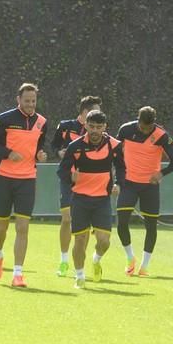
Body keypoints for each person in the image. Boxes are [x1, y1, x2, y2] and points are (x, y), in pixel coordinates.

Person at [0, 83, 48, 287]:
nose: (30, 104)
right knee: (1, 226)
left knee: (23, 227)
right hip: (4, 178)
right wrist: (8, 153)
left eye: (33, 101)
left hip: (27, 180)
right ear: (18, 99)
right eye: (27, 100)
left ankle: (18, 274)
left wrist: (40, 155)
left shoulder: (42, 122)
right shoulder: (5, 119)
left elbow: (39, 146)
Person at [57, 110, 125, 288]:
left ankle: (96, 260)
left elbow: (122, 168)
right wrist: (71, 175)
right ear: (85, 125)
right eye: (91, 126)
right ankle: (79, 276)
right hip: (80, 199)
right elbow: (61, 171)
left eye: (99, 127)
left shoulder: (114, 145)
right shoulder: (75, 146)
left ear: (105, 127)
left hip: (102, 199)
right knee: (80, 240)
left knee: (104, 241)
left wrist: (118, 183)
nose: (95, 130)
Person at [116, 106, 173, 276]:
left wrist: (161, 173)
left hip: (150, 186)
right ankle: (130, 258)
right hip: (129, 183)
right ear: (138, 121)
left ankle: (144, 266)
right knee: (121, 222)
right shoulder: (125, 130)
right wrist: (117, 178)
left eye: (149, 127)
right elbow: (115, 153)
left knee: (151, 226)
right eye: (143, 127)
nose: (146, 130)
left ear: (154, 123)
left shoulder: (161, 135)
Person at [51, 96, 102, 276]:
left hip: (90, 181)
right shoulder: (65, 126)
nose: (98, 116)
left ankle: (81, 263)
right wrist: (59, 152)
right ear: (83, 112)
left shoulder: (98, 130)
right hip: (68, 179)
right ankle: (64, 260)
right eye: (94, 111)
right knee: (66, 219)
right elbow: (54, 145)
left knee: (85, 225)